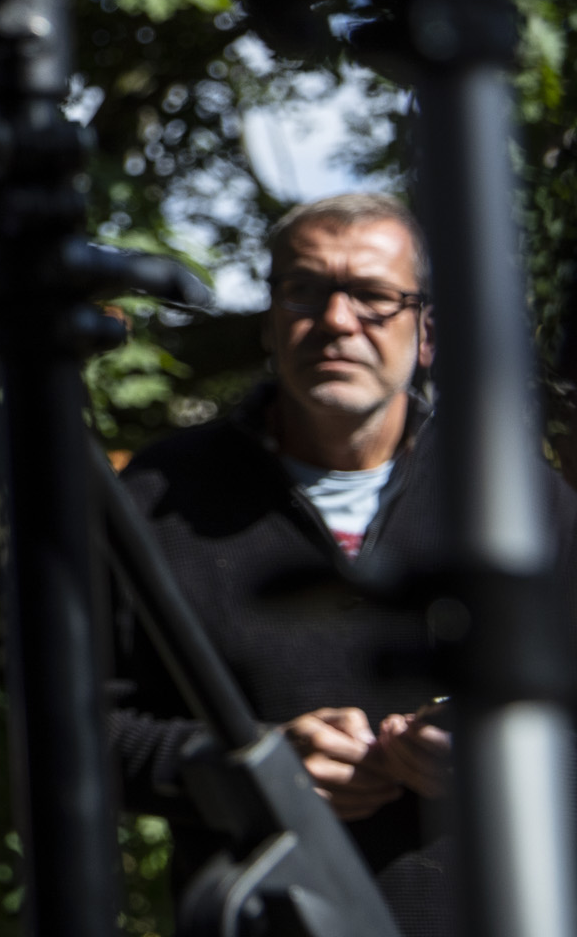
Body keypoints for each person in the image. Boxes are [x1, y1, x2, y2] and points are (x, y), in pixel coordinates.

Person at [109, 192, 577, 931]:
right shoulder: (159, 498)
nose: (336, 320)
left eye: (373, 296)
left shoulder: (514, 499)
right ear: (270, 320)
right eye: (305, 291)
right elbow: (79, 730)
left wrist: (498, 747)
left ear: (428, 331)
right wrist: (246, 769)